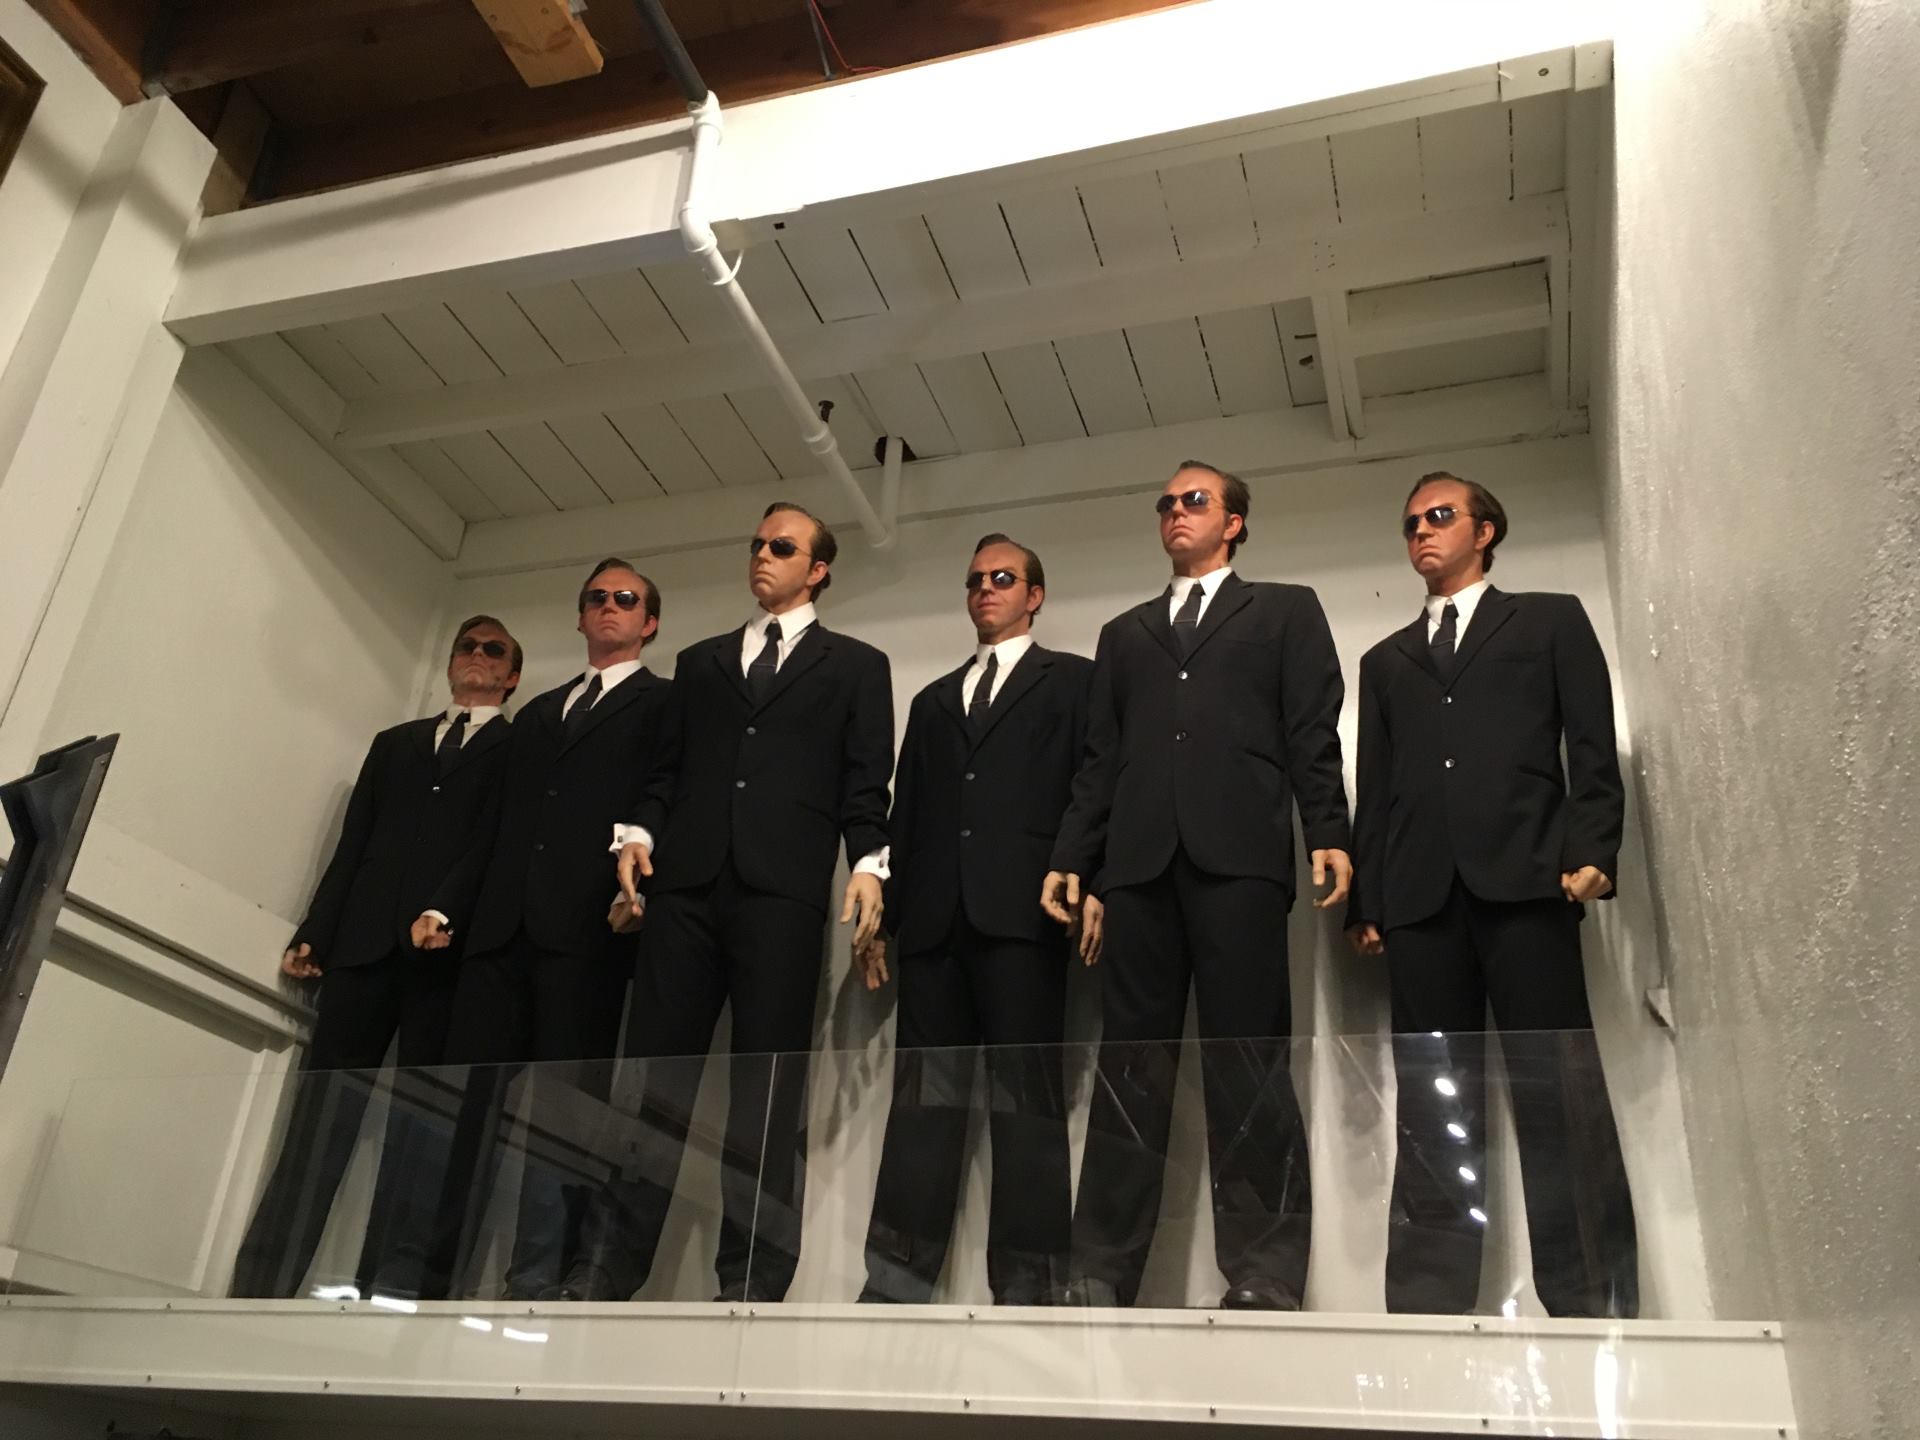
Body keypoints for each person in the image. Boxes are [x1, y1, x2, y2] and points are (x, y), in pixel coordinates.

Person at [554, 502, 894, 1303]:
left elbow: (865, 780)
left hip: (781, 894)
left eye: (782, 547)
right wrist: (638, 834)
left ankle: (751, 1281)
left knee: (767, 1094)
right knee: (654, 1085)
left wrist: (870, 866)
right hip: (684, 890)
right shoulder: (701, 663)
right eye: (757, 544)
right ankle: (604, 1268)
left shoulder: (856, 665)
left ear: (818, 569)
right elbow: (666, 772)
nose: (762, 556)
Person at [1043, 461, 1351, 1311]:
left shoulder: (1284, 611)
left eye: (1195, 500)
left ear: (1235, 522)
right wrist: (1077, 856)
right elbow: (1100, 760)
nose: (1176, 511)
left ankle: (1265, 1271)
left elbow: (1311, 731)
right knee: (1128, 1068)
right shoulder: (1125, 634)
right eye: (1166, 503)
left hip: (1239, 860)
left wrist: (1329, 830)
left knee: (1248, 1063)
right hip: (1138, 869)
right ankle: (1099, 1271)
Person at [1345, 471, 1639, 1318]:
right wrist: (1370, 901)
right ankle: (1428, 1303)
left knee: (1559, 1090)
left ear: (1486, 530)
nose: (1421, 532)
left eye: (1439, 516)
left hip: (1528, 883)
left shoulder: (1549, 620)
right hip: (1420, 903)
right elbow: (1379, 786)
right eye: (1410, 522)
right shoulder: (1385, 661)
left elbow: (1591, 744)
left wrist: (1593, 847)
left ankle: (1593, 1298)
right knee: (1432, 1101)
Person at [390, 559, 668, 1300]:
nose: (607, 606)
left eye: (625, 598)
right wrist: (447, 904)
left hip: (586, 933)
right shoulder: (539, 713)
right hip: (496, 934)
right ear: (579, 617)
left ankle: (535, 1281)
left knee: (563, 1120)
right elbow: (495, 824)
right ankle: (418, 1278)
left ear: (649, 622)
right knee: (455, 1107)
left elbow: (662, 797)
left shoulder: (663, 703)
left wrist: (644, 888)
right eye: (595, 598)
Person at [229, 616, 519, 1298]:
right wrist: (317, 931)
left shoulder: (516, 749)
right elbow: (354, 842)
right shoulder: (396, 744)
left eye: (493, 650)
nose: (477, 655)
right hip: (362, 949)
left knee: (419, 1130)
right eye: (467, 646)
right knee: (319, 1117)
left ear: (511, 676)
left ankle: (382, 1293)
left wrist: (444, 909)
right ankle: (261, 1287)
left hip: (443, 961)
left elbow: (494, 845)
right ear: (450, 663)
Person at [858, 534, 1093, 1306]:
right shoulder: (932, 701)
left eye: (1002, 578)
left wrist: (1090, 879)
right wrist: (887, 922)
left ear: (1035, 595)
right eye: (974, 581)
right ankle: (895, 1281)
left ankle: (1029, 1287)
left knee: (1028, 1106)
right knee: (921, 1107)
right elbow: (908, 817)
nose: (985, 589)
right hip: (934, 925)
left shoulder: (1074, 683)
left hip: (1025, 917)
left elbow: (1092, 791)